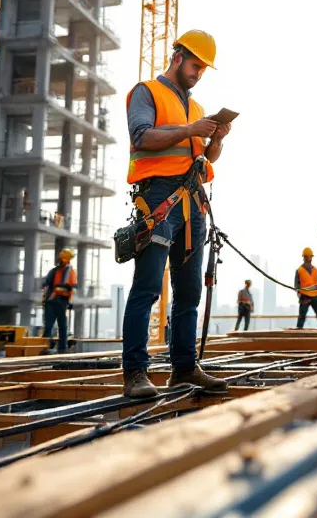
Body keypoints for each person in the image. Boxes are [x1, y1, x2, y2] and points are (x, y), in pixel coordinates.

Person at [122, 30, 231, 399]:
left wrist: (216, 139)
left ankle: (183, 368)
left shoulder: (197, 109)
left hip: (193, 201)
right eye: (195, 66)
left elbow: (205, 157)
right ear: (178, 57)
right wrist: (188, 130)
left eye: (203, 69)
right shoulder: (147, 92)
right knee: (148, 286)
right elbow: (141, 136)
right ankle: (135, 373)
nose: (198, 74)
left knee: (189, 292)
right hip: (159, 199)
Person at [41, 249, 76, 353]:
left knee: (62, 326)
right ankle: (45, 347)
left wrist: (70, 301)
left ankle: (61, 349)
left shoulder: (70, 272)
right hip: (52, 301)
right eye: (66, 258)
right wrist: (45, 299)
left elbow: (72, 288)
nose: (66, 261)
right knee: (49, 326)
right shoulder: (54, 271)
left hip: (61, 301)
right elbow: (47, 286)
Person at [295, 248, 317, 328]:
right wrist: (301, 298)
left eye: (309, 257)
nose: (308, 259)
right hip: (304, 297)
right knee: (301, 319)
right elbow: (297, 287)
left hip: (316, 296)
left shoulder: (316, 270)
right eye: (307, 257)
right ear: (304, 257)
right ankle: (298, 333)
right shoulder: (299, 271)